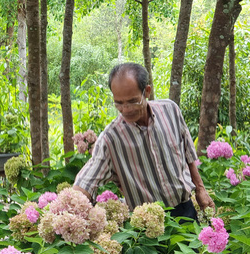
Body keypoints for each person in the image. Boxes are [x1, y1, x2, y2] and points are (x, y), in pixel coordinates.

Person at [73, 62, 214, 221]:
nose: (126, 109)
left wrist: (200, 190)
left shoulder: (170, 110)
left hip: (185, 210)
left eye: (132, 101)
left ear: (146, 91)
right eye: (119, 103)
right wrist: (68, 207)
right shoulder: (111, 138)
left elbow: (188, 152)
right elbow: (87, 180)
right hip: (146, 226)